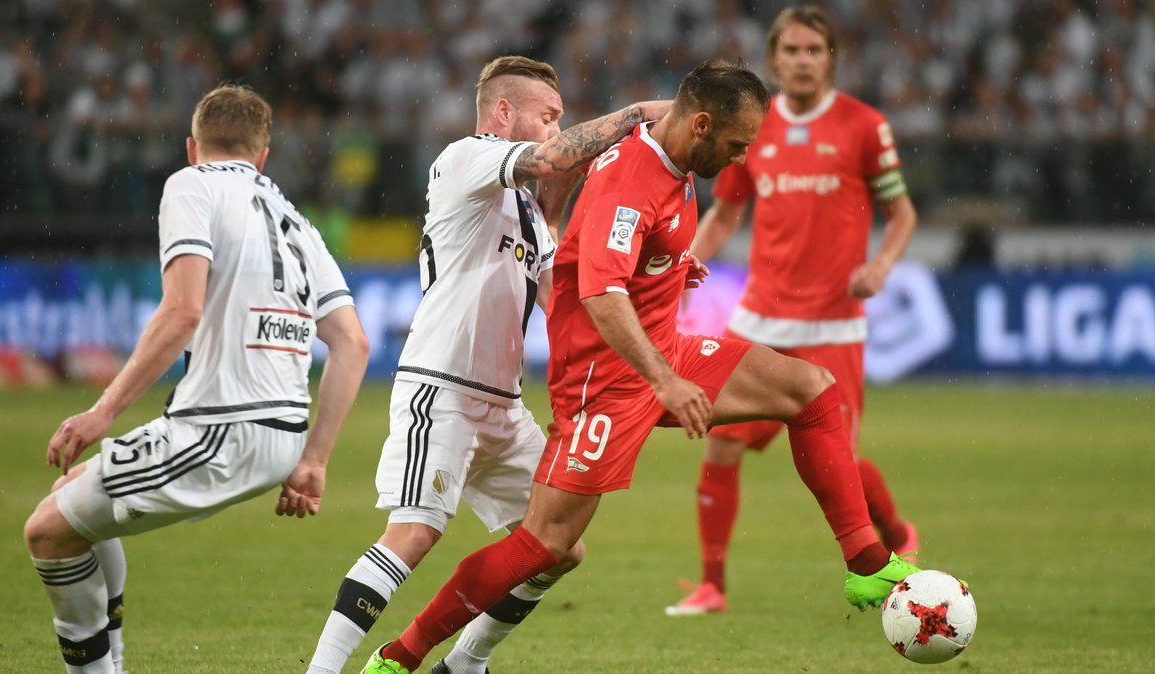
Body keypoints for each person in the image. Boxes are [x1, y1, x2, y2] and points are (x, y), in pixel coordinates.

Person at [359, 59, 923, 674]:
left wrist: (675, 264)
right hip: (605, 378)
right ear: (702, 125)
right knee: (544, 544)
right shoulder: (632, 177)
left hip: (661, 348)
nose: (741, 160)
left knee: (811, 392)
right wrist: (666, 382)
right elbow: (601, 293)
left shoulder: (675, 157)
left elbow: (621, 252)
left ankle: (865, 562)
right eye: (736, 146)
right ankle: (400, 657)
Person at [305, 56, 671, 674]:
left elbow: (572, 289)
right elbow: (554, 160)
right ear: (503, 113)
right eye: (547, 115)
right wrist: (636, 116)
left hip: (502, 404)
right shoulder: (465, 157)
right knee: (414, 534)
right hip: (441, 389)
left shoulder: (528, 214)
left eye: (559, 118)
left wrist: (664, 272)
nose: (556, 128)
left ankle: (466, 662)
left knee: (558, 548)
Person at [23, 84, 370, 674]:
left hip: (220, 430)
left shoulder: (191, 185)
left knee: (45, 533)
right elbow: (353, 343)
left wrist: (101, 413)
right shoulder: (298, 221)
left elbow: (182, 311)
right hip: (278, 434)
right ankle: (110, 661)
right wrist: (314, 459)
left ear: (192, 146)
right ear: (263, 154)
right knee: (71, 502)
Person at [666, 6, 921, 616]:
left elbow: (903, 214)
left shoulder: (864, 126)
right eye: (792, 51)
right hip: (760, 318)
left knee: (841, 460)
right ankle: (712, 586)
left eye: (814, 50)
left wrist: (881, 266)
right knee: (719, 448)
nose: (803, 61)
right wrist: (680, 271)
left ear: (830, 57)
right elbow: (726, 212)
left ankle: (897, 538)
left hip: (834, 323)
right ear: (774, 58)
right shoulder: (751, 125)